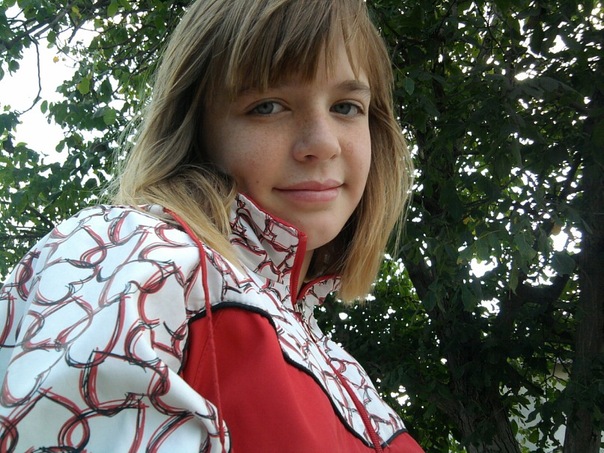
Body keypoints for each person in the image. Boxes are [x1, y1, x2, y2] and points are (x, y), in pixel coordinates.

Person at [0, 0, 424, 451]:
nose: (322, 143)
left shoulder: (344, 370)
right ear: (196, 128)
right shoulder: (138, 257)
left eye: (346, 106)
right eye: (267, 106)